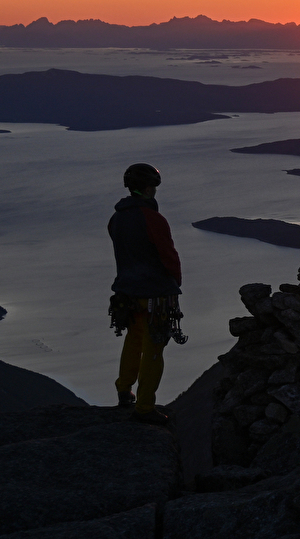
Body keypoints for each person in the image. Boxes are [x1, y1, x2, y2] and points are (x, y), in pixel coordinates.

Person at [107, 162, 186, 425]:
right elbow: (168, 255)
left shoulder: (117, 218)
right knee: (154, 348)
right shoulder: (153, 219)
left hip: (126, 291)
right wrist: (175, 281)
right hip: (155, 294)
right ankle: (144, 408)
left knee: (133, 339)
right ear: (151, 188)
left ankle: (123, 389)